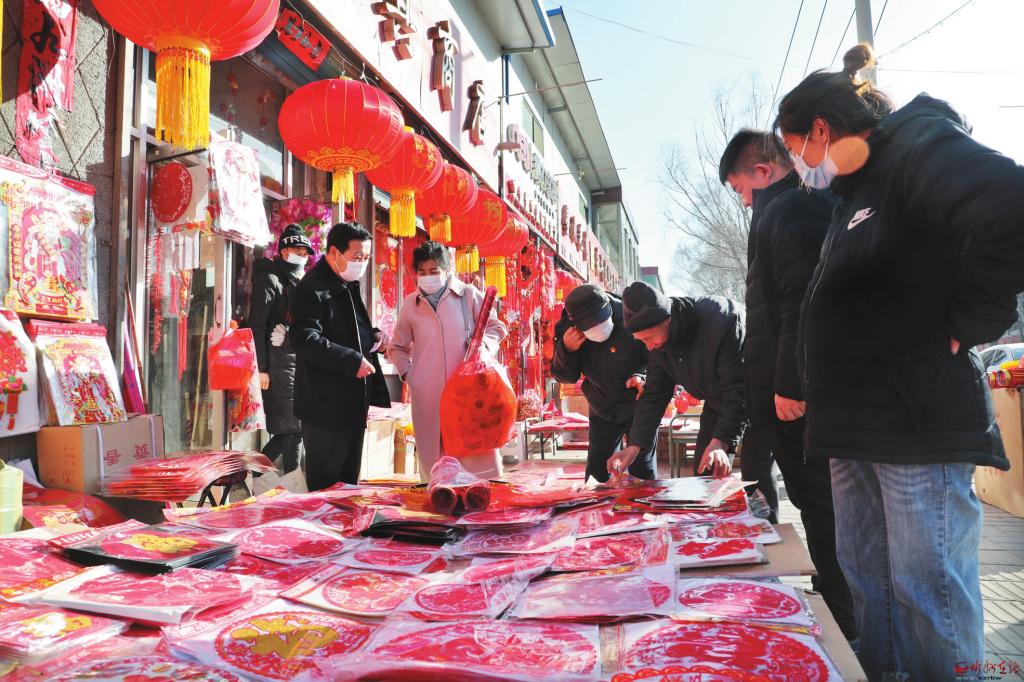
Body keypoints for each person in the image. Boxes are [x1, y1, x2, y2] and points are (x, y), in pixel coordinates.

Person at [773, 44, 1024, 680]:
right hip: (852, 428)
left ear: (821, 130)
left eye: (795, 148)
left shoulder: (916, 147)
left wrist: (968, 321)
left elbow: (1010, 205)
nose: (799, 166)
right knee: (871, 587)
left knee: (926, 591)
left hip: (913, 422)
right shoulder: (850, 196)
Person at [719, 129, 856, 641]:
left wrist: (790, 383)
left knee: (825, 510)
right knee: (817, 508)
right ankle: (843, 608)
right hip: (786, 396)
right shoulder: (782, 210)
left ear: (762, 171)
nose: (743, 201)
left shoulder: (791, 209)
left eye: (741, 190)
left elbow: (802, 301)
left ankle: (848, 619)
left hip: (798, 398)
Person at [388, 241, 507, 479]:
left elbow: (497, 327)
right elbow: (397, 347)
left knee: (476, 459)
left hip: (468, 392)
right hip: (428, 394)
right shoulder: (411, 304)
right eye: (422, 272)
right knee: (436, 462)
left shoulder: (468, 295)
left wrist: (483, 346)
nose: (428, 277)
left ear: (447, 269)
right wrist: (411, 376)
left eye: (434, 271)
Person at [608, 281, 746, 480]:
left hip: (759, 393)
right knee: (706, 472)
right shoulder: (659, 345)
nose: (648, 347)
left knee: (756, 473)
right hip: (717, 400)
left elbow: (737, 387)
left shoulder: (721, 321)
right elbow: (654, 394)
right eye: (642, 341)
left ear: (667, 319)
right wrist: (635, 445)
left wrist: (722, 441)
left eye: (649, 337)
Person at [289, 222, 390, 490]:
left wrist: (374, 337)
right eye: (357, 256)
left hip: (352, 405)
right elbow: (304, 338)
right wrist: (352, 361)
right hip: (325, 407)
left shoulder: (346, 283)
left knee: (348, 488)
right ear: (334, 252)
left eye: (366, 257)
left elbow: (350, 328)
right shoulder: (312, 287)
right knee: (326, 489)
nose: (362, 263)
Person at [550, 284, 650, 482]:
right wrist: (566, 350)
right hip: (602, 405)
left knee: (642, 469)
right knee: (597, 472)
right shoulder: (568, 331)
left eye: (602, 320)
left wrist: (642, 376)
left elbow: (655, 356)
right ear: (577, 324)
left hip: (637, 403)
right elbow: (564, 377)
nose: (599, 327)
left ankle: (645, 502)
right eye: (591, 326)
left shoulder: (630, 315)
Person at [249, 224, 313, 475]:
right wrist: (262, 369)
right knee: (293, 428)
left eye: (305, 253)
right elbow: (257, 326)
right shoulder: (269, 279)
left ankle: (252, 474)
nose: (302, 256)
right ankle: (288, 484)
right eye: (298, 251)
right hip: (277, 367)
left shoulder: (297, 281)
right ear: (284, 251)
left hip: (296, 364)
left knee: (292, 429)